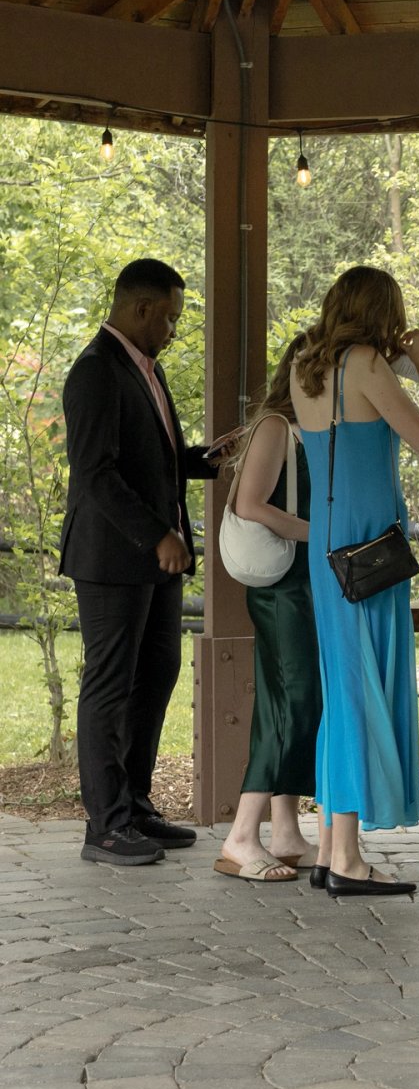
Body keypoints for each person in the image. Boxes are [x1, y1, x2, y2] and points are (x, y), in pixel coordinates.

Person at [61, 258, 226, 865]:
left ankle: (135, 806)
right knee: (109, 686)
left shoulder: (145, 371)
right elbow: (97, 475)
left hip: (155, 562)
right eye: (172, 319)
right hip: (112, 559)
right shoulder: (96, 372)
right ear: (142, 309)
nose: (174, 331)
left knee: (156, 676)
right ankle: (104, 826)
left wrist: (206, 458)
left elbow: (148, 459)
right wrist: (157, 533)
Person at [290, 265, 419, 898]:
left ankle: (332, 848)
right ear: (380, 312)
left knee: (342, 690)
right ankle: (350, 859)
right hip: (372, 545)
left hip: (329, 542)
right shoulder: (366, 365)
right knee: (362, 690)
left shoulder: (306, 362)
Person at [213, 334, 323, 884]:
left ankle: (283, 829)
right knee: (295, 701)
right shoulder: (276, 427)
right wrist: (321, 533)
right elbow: (250, 504)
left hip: (303, 581)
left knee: (291, 701)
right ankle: (240, 836)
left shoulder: (313, 430)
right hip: (283, 585)